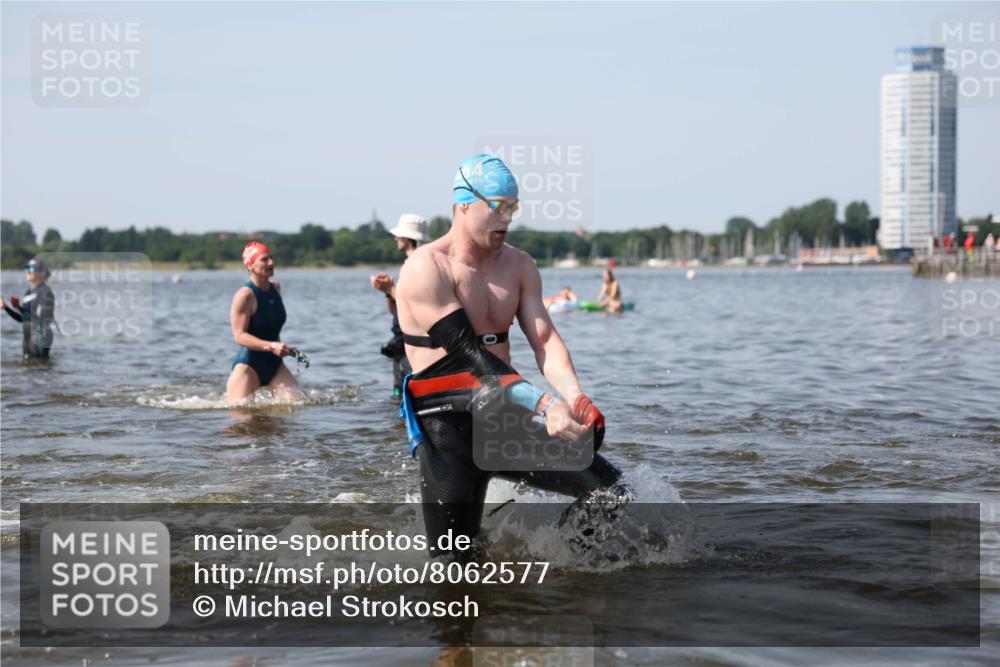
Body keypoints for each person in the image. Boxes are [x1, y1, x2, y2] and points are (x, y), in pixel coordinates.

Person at [396, 153, 627, 557]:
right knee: (454, 563)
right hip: (447, 428)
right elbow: (469, 355)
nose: (508, 218)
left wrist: (574, 397)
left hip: (503, 421)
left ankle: (567, 569)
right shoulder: (425, 268)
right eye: (498, 206)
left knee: (609, 491)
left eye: (514, 207)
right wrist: (546, 405)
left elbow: (545, 341)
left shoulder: (519, 266)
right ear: (464, 203)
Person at [226, 242, 303, 406]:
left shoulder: (276, 288)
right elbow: (239, 336)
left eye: (271, 258)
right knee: (241, 414)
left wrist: (282, 348)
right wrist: (271, 346)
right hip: (249, 366)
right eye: (264, 260)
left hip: (274, 365)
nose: (271, 263)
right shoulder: (245, 295)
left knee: (297, 405)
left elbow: (270, 327)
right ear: (250, 265)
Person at [370, 214, 430, 397]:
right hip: (401, 344)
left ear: (407, 238)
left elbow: (415, 303)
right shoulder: (410, 264)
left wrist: (390, 289)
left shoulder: (419, 265)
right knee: (400, 397)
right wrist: (388, 291)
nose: (395, 238)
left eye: (399, 235)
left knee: (410, 396)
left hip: (413, 345)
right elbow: (397, 310)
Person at [1, 257, 55, 359]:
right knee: (27, 362)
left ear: (42, 273)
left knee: (40, 364)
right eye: (27, 269)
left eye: (31, 269)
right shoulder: (28, 293)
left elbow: (41, 318)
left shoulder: (46, 292)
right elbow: (22, 318)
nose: (27, 272)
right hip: (27, 336)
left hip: (41, 335)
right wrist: (6, 307)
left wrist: (19, 308)